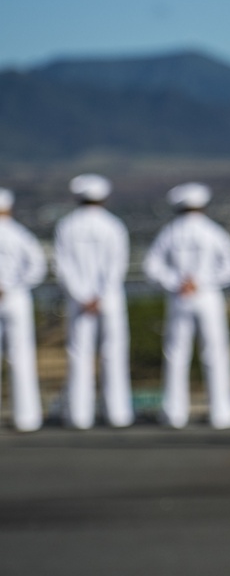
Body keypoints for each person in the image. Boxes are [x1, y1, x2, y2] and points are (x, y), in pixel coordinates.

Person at [143, 182, 230, 429]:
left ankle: (174, 414)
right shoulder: (214, 231)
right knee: (215, 354)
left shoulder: (170, 232)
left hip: (180, 297)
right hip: (208, 297)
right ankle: (222, 413)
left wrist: (178, 281)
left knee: (176, 355)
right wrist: (202, 282)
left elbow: (151, 267)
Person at [54, 174, 134, 429]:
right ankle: (118, 414)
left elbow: (62, 266)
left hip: (79, 302)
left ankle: (79, 416)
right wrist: (102, 294)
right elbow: (118, 265)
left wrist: (81, 295)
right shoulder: (114, 226)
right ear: (104, 197)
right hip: (109, 300)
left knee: (79, 355)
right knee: (114, 354)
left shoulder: (66, 226)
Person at [0, 188, 46, 432]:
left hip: (11, 295)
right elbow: (37, 267)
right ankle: (26, 417)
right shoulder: (20, 234)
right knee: (22, 357)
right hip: (16, 299)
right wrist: (11, 286)